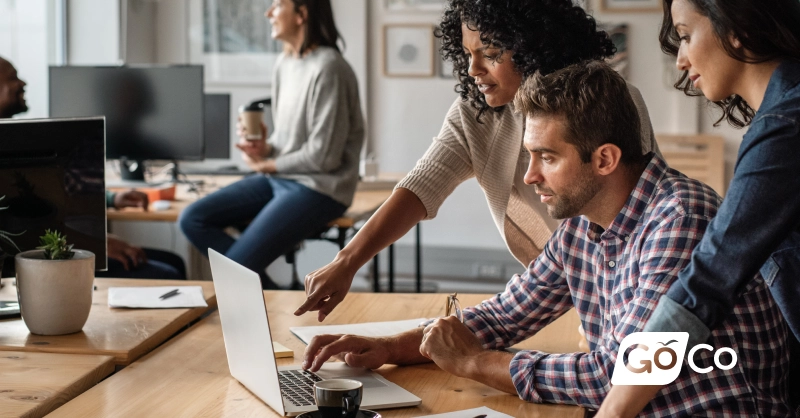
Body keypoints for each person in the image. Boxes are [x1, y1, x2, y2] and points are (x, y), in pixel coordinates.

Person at [303, 61, 791, 415]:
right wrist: (389, 347)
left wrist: (476, 363)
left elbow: (610, 376)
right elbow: (505, 314)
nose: (530, 176)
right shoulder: (583, 224)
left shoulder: (678, 219)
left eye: (547, 158)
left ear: (604, 160)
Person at [295, 0, 659, 321]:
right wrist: (347, 263)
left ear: (534, 45)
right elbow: (421, 186)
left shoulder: (605, 103)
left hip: (627, 286)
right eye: (468, 54)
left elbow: (635, 215)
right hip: (552, 287)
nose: (473, 69)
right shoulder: (477, 113)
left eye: (490, 52)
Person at [596, 0, 800, 416]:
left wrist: (612, 413)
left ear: (736, 25)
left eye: (687, 35)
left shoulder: (786, 128)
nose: (682, 60)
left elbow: (707, 281)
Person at [179, 0, 364, 290]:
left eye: (277, 5)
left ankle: (256, 293)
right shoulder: (285, 63)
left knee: (237, 269)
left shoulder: (330, 68)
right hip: (281, 178)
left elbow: (324, 157)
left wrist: (267, 164)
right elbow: (289, 142)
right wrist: (265, 148)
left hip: (320, 188)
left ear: (302, 14)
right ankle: (269, 294)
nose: (268, 13)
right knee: (192, 218)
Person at [0, 56, 185, 280]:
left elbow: (55, 197)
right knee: (167, 273)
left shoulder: (17, 141)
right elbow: (26, 229)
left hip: (63, 245)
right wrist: (96, 246)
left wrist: (112, 200)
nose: (23, 84)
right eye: (13, 78)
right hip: (42, 261)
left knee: (174, 262)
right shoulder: (13, 146)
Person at [99, 190, 186, 280]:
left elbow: (84, 194)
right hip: (87, 259)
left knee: (175, 261)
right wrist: (101, 244)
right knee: (169, 275)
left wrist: (112, 198)